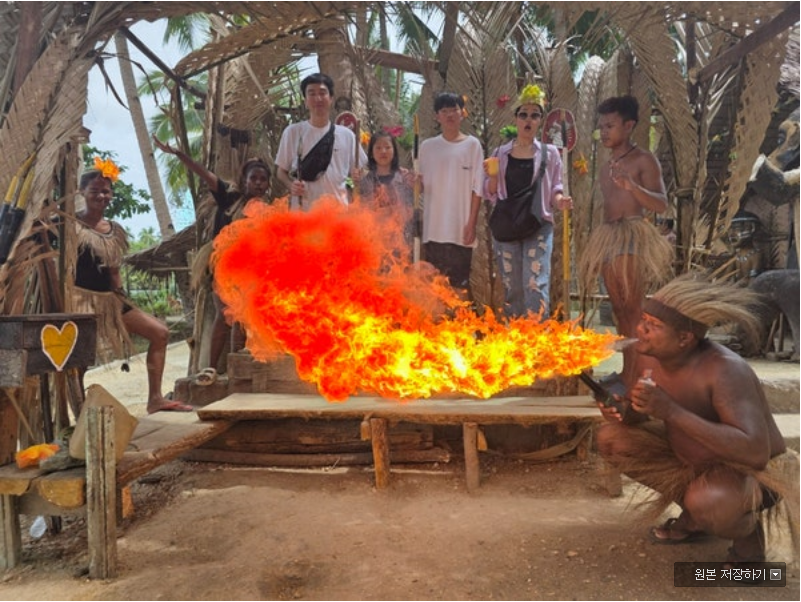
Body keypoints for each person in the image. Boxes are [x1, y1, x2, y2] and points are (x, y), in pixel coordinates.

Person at [595, 275, 798, 569]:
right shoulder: (648, 356)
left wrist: (671, 411)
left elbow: (755, 452)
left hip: (749, 473)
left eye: (654, 325)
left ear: (684, 339)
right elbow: (641, 412)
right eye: (644, 320)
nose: (641, 329)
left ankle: (749, 548)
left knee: (711, 502)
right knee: (612, 438)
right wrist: (625, 411)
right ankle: (695, 518)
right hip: (691, 459)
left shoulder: (725, 370)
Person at [72, 161, 193, 413]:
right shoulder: (68, 225)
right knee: (79, 358)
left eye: (106, 191)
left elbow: (114, 270)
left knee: (160, 333)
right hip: (78, 300)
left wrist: (123, 299)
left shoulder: (114, 230)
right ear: (82, 192)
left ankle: (155, 399)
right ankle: (79, 410)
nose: (102, 196)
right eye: (95, 190)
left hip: (111, 299)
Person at [153, 136, 271, 384]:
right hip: (223, 265)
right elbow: (204, 174)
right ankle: (211, 368)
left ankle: (236, 370)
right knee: (226, 313)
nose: (258, 183)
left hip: (250, 270)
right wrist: (179, 154)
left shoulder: (268, 210)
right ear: (245, 180)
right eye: (254, 178)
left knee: (243, 319)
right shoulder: (229, 197)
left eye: (263, 180)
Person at [578, 95, 673, 383]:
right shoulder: (607, 164)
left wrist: (632, 187)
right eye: (601, 127)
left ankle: (640, 374)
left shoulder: (643, 159)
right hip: (608, 236)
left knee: (632, 308)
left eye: (610, 126)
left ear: (629, 125)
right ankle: (627, 371)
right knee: (619, 309)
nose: (604, 132)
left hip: (631, 235)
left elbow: (661, 204)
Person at [483, 84, 572, 319]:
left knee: (535, 284)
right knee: (512, 286)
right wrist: (492, 177)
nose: (528, 120)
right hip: (507, 224)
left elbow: (555, 189)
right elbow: (491, 193)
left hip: (538, 224)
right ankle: (515, 334)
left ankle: (536, 333)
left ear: (541, 121)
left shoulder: (550, 153)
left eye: (534, 115)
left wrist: (561, 201)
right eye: (523, 114)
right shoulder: (500, 153)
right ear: (516, 118)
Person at [418, 92, 484, 298]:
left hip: (460, 229)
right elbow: (420, 186)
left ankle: (460, 319)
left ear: (462, 113)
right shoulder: (427, 147)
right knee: (434, 286)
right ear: (437, 116)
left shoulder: (472, 145)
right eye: (444, 111)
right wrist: (414, 183)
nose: (449, 115)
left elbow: (478, 189)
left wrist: (471, 223)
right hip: (433, 229)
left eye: (454, 110)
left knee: (459, 287)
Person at [275, 73, 366, 209]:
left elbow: (361, 171)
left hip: (338, 213)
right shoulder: (292, 132)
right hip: (303, 212)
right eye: (312, 94)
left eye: (322, 93)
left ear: (331, 98)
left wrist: (359, 176)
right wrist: (291, 185)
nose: (318, 98)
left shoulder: (347, 135)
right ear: (305, 101)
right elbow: (280, 172)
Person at [359, 130, 416, 260]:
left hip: (401, 243)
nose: (383, 151)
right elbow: (362, 213)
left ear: (394, 151)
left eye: (387, 147)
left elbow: (410, 209)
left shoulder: (404, 178)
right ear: (371, 153)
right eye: (378, 148)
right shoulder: (365, 182)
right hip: (374, 243)